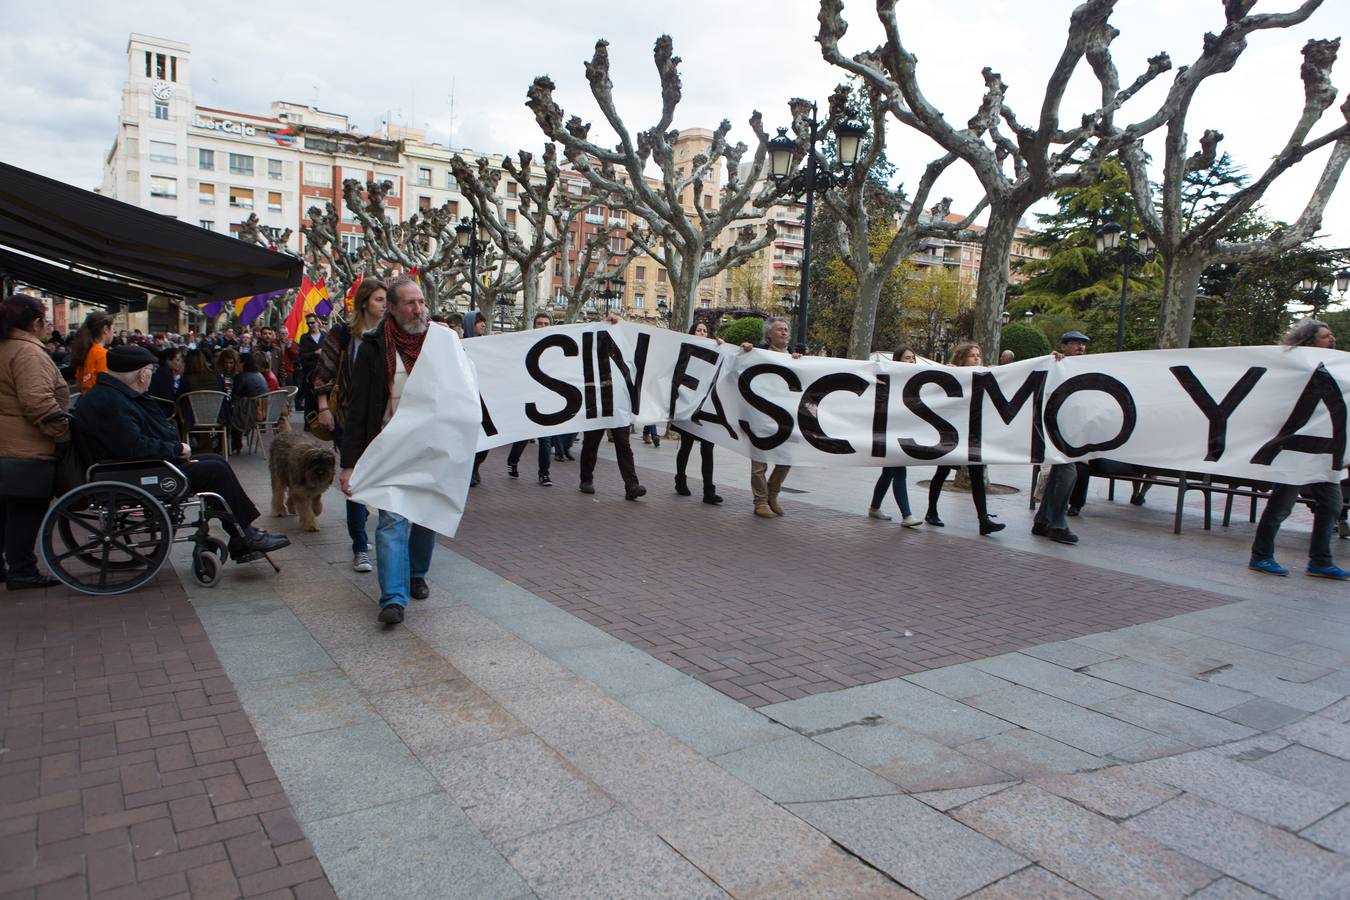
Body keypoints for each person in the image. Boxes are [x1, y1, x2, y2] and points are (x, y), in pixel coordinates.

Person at [74, 344, 289, 562]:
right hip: (134, 471)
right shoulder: (109, 401)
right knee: (214, 470)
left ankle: (242, 533)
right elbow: (133, 447)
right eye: (150, 371)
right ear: (141, 374)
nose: (150, 377)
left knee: (216, 461)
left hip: (137, 465)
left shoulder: (112, 395)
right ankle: (244, 535)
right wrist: (175, 449)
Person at [340, 276, 438, 625]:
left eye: (421, 302)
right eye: (410, 303)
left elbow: (496, 360)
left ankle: (416, 573)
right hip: (388, 447)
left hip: (429, 448)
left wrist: (609, 329)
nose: (419, 309)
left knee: (427, 517)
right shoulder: (373, 348)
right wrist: (349, 463)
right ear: (393, 309)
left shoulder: (441, 343)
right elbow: (358, 408)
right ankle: (393, 598)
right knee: (392, 519)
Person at [1249, 318, 1350, 579]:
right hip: (1295, 451)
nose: (1332, 340)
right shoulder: (1296, 369)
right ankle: (1261, 556)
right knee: (1281, 506)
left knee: (1331, 504)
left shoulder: (1335, 368)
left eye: (1331, 335)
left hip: (1324, 453)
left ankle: (1320, 561)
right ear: (1309, 341)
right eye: (1326, 336)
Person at [313, 277, 387, 572]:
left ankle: (386, 535)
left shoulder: (391, 334)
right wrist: (323, 408)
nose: (384, 306)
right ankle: (360, 546)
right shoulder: (343, 334)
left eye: (386, 300)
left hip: (384, 420)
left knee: (384, 478)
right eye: (379, 300)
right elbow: (323, 372)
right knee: (353, 479)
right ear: (364, 302)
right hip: (349, 417)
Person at [0, 295, 68, 590]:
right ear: (35, 322)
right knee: (26, 508)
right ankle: (21, 569)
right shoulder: (27, 353)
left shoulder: (6, 347)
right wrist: (62, 433)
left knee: (5, 509)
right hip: (25, 447)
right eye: (45, 321)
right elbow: (38, 401)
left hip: (8, 443)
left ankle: (9, 567)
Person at [925, 341, 1006, 536]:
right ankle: (931, 511)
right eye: (972, 355)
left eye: (979, 354)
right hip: (953, 434)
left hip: (973, 435)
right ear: (962, 359)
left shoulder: (985, 375)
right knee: (942, 472)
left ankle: (983, 520)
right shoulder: (952, 374)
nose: (977, 358)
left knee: (977, 476)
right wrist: (948, 370)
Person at [740, 316, 801, 518]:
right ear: (769, 334)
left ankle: (772, 494)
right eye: (780, 329)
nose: (785, 332)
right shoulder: (757, 354)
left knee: (786, 459)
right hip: (760, 416)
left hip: (786, 418)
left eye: (786, 329)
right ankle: (760, 502)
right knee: (759, 462)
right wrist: (745, 350)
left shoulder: (796, 358)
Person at [1032, 331, 1090, 544]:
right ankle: (1057, 523)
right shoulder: (1056, 363)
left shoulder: (1084, 367)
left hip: (1070, 431)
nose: (1080, 347)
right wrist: (1052, 360)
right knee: (1067, 472)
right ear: (1064, 346)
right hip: (1054, 429)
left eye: (1083, 344)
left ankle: (1043, 520)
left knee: (1060, 473)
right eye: (1075, 343)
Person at [868, 346, 922, 526]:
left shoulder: (917, 378)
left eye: (913, 358)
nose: (911, 361)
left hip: (902, 429)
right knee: (899, 470)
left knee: (889, 472)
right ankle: (907, 515)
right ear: (897, 360)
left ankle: (874, 508)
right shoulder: (889, 377)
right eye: (907, 358)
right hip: (890, 430)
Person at [673, 320, 723, 504]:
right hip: (688, 405)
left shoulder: (714, 352)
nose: (702, 333)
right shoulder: (685, 350)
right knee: (686, 445)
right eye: (698, 330)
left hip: (706, 407)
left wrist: (721, 348)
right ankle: (680, 480)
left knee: (708, 448)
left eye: (704, 331)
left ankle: (709, 490)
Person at [506, 312, 557, 486]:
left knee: (545, 438)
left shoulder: (556, 345)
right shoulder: (524, 343)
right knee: (523, 435)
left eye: (545, 323)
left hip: (546, 398)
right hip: (527, 396)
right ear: (534, 325)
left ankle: (544, 474)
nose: (542, 326)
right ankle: (512, 461)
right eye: (539, 323)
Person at [70, 311, 115, 392]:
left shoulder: (85, 350)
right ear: (105, 329)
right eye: (113, 329)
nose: (113, 333)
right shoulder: (102, 354)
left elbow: (79, 383)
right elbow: (106, 388)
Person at [298, 314, 325, 427]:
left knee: (324, 399)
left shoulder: (326, 336)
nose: (310, 325)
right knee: (310, 400)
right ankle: (310, 424)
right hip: (310, 374)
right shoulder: (304, 338)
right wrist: (315, 353)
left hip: (325, 374)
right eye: (308, 323)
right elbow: (302, 356)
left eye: (312, 322)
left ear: (318, 322)